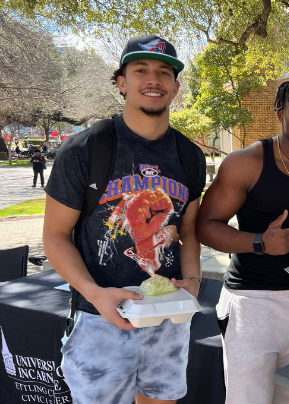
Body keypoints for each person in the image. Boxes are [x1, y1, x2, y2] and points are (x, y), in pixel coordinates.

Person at [42, 35, 206, 404]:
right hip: (101, 317)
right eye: (141, 70)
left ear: (176, 87)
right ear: (121, 82)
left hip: (167, 316)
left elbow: (190, 232)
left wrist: (193, 281)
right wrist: (94, 293)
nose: (153, 80)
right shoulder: (85, 148)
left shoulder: (189, 155)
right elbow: (55, 236)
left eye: (164, 72)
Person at [196, 77, 289, 404]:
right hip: (253, 301)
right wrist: (259, 242)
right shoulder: (247, 163)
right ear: (280, 113)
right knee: (248, 400)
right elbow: (205, 225)